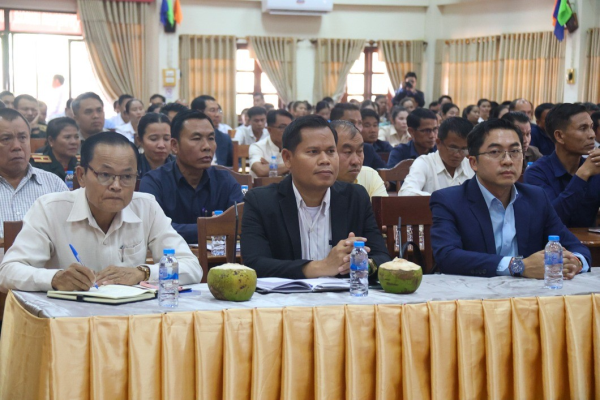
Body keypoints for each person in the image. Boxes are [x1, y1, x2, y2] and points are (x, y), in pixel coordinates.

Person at [0, 131, 202, 292]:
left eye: (127, 176)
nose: (116, 186)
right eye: (105, 175)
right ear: (81, 176)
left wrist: (143, 273)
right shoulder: (50, 209)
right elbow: (8, 271)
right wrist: (54, 278)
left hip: (130, 316)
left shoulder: (146, 206)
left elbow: (192, 267)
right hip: (68, 319)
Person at [430, 118, 590, 278]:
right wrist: (518, 266)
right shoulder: (449, 200)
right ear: (473, 163)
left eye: (515, 151)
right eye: (495, 152)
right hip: (473, 291)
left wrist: (576, 262)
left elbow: (576, 247)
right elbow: (447, 257)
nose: (507, 161)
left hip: (528, 292)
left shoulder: (536, 197)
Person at [241, 115, 390, 279]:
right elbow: (255, 265)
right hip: (288, 295)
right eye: (313, 152)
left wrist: (360, 263)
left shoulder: (355, 197)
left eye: (331, 151)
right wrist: (321, 267)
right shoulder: (261, 202)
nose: (325, 160)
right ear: (287, 158)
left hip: (342, 295)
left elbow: (382, 258)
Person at [139, 110, 244, 244]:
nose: (207, 146)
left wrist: (215, 227)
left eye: (211, 138)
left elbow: (240, 223)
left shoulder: (224, 180)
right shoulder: (154, 182)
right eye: (196, 138)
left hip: (218, 256)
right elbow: (154, 229)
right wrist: (211, 227)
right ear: (175, 146)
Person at [524, 103, 600, 228]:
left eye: (591, 127)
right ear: (559, 136)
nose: (592, 134)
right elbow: (553, 218)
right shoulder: (536, 173)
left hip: (589, 240)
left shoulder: (595, 168)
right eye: (583, 128)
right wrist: (582, 175)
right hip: (552, 240)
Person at [0, 108, 68, 238]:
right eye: (6, 139)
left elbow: (70, 234)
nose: (17, 146)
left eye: (22, 137)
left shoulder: (53, 185)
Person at [400, 117, 474, 196]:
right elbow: (406, 193)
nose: (458, 155)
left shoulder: (471, 166)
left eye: (464, 149)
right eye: (453, 148)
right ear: (438, 143)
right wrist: (439, 199)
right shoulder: (424, 163)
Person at [332, 120, 387, 199]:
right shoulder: (317, 182)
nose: (356, 161)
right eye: (347, 152)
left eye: (360, 151)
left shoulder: (370, 177)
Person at [330, 103, 386, 170]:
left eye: (360, 123)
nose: (357, 128)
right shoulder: (326, 149)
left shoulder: (367, 149)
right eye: (351, 123)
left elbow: (386, 173)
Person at [190, 95, 233, 167]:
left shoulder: (224, 138)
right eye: (212, 110)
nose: (217, 115)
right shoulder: (188, 138)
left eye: (219, 111)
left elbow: (236, 163)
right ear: (198, 113)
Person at [249, 109, 292, 178]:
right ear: (269, 130)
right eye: (282, 127)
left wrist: (271, 167)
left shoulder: (296, 146)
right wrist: (293, 165)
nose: (287, 131)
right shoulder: (257, 147)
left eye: (290, 127)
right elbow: (261, 171)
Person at [137, 113, 175, 177]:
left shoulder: (181, 167)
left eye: (166, 139)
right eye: (153, 139)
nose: (161, 145)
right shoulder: (133, 167)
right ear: (140, 140)